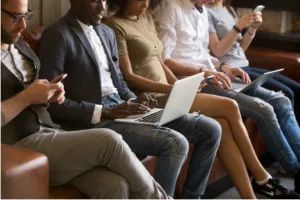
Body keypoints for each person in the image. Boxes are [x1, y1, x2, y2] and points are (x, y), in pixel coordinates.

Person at [105, 0, 300, 199]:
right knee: (231, 106)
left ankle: (248, 195)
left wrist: (179, 87)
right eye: (140, 0)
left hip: (171, 89)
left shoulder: (145, 18)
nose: (146, 4)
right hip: (151, 97)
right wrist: (172, 88)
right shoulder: (114, 25)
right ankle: (263, 178)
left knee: (222, 124)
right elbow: (128, 75)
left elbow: (160, 60)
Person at [38, 0, 222, 198]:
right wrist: (106, 111)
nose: (102, 7)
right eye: (94, 1)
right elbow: (50, 103)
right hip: (95, 120)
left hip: (122, 107)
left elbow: (119, 82)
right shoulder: (57, 35)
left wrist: (136, 99)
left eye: (104, 0)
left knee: (210, 130)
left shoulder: (105, 32)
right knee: (176, 143)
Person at [0, 0, 171, 199]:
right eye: (15, 17)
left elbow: (37, 96)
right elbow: (24, 99)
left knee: (114, 185)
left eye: (25, 16)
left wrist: (51, 94)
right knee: (109, 140)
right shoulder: (57, 34)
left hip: (50, 130)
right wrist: (27, 97)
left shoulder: (19, 45)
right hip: (18, 142)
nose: (22, 25)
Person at [206, 0, 300, 123]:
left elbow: (240, 48)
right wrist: (238, 26)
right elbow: (217, 51)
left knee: (297, 88)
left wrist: (252, 28)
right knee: (287, 93)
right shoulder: (206, 12)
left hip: (245, 64)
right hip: (232, 70)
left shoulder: (228, 9)